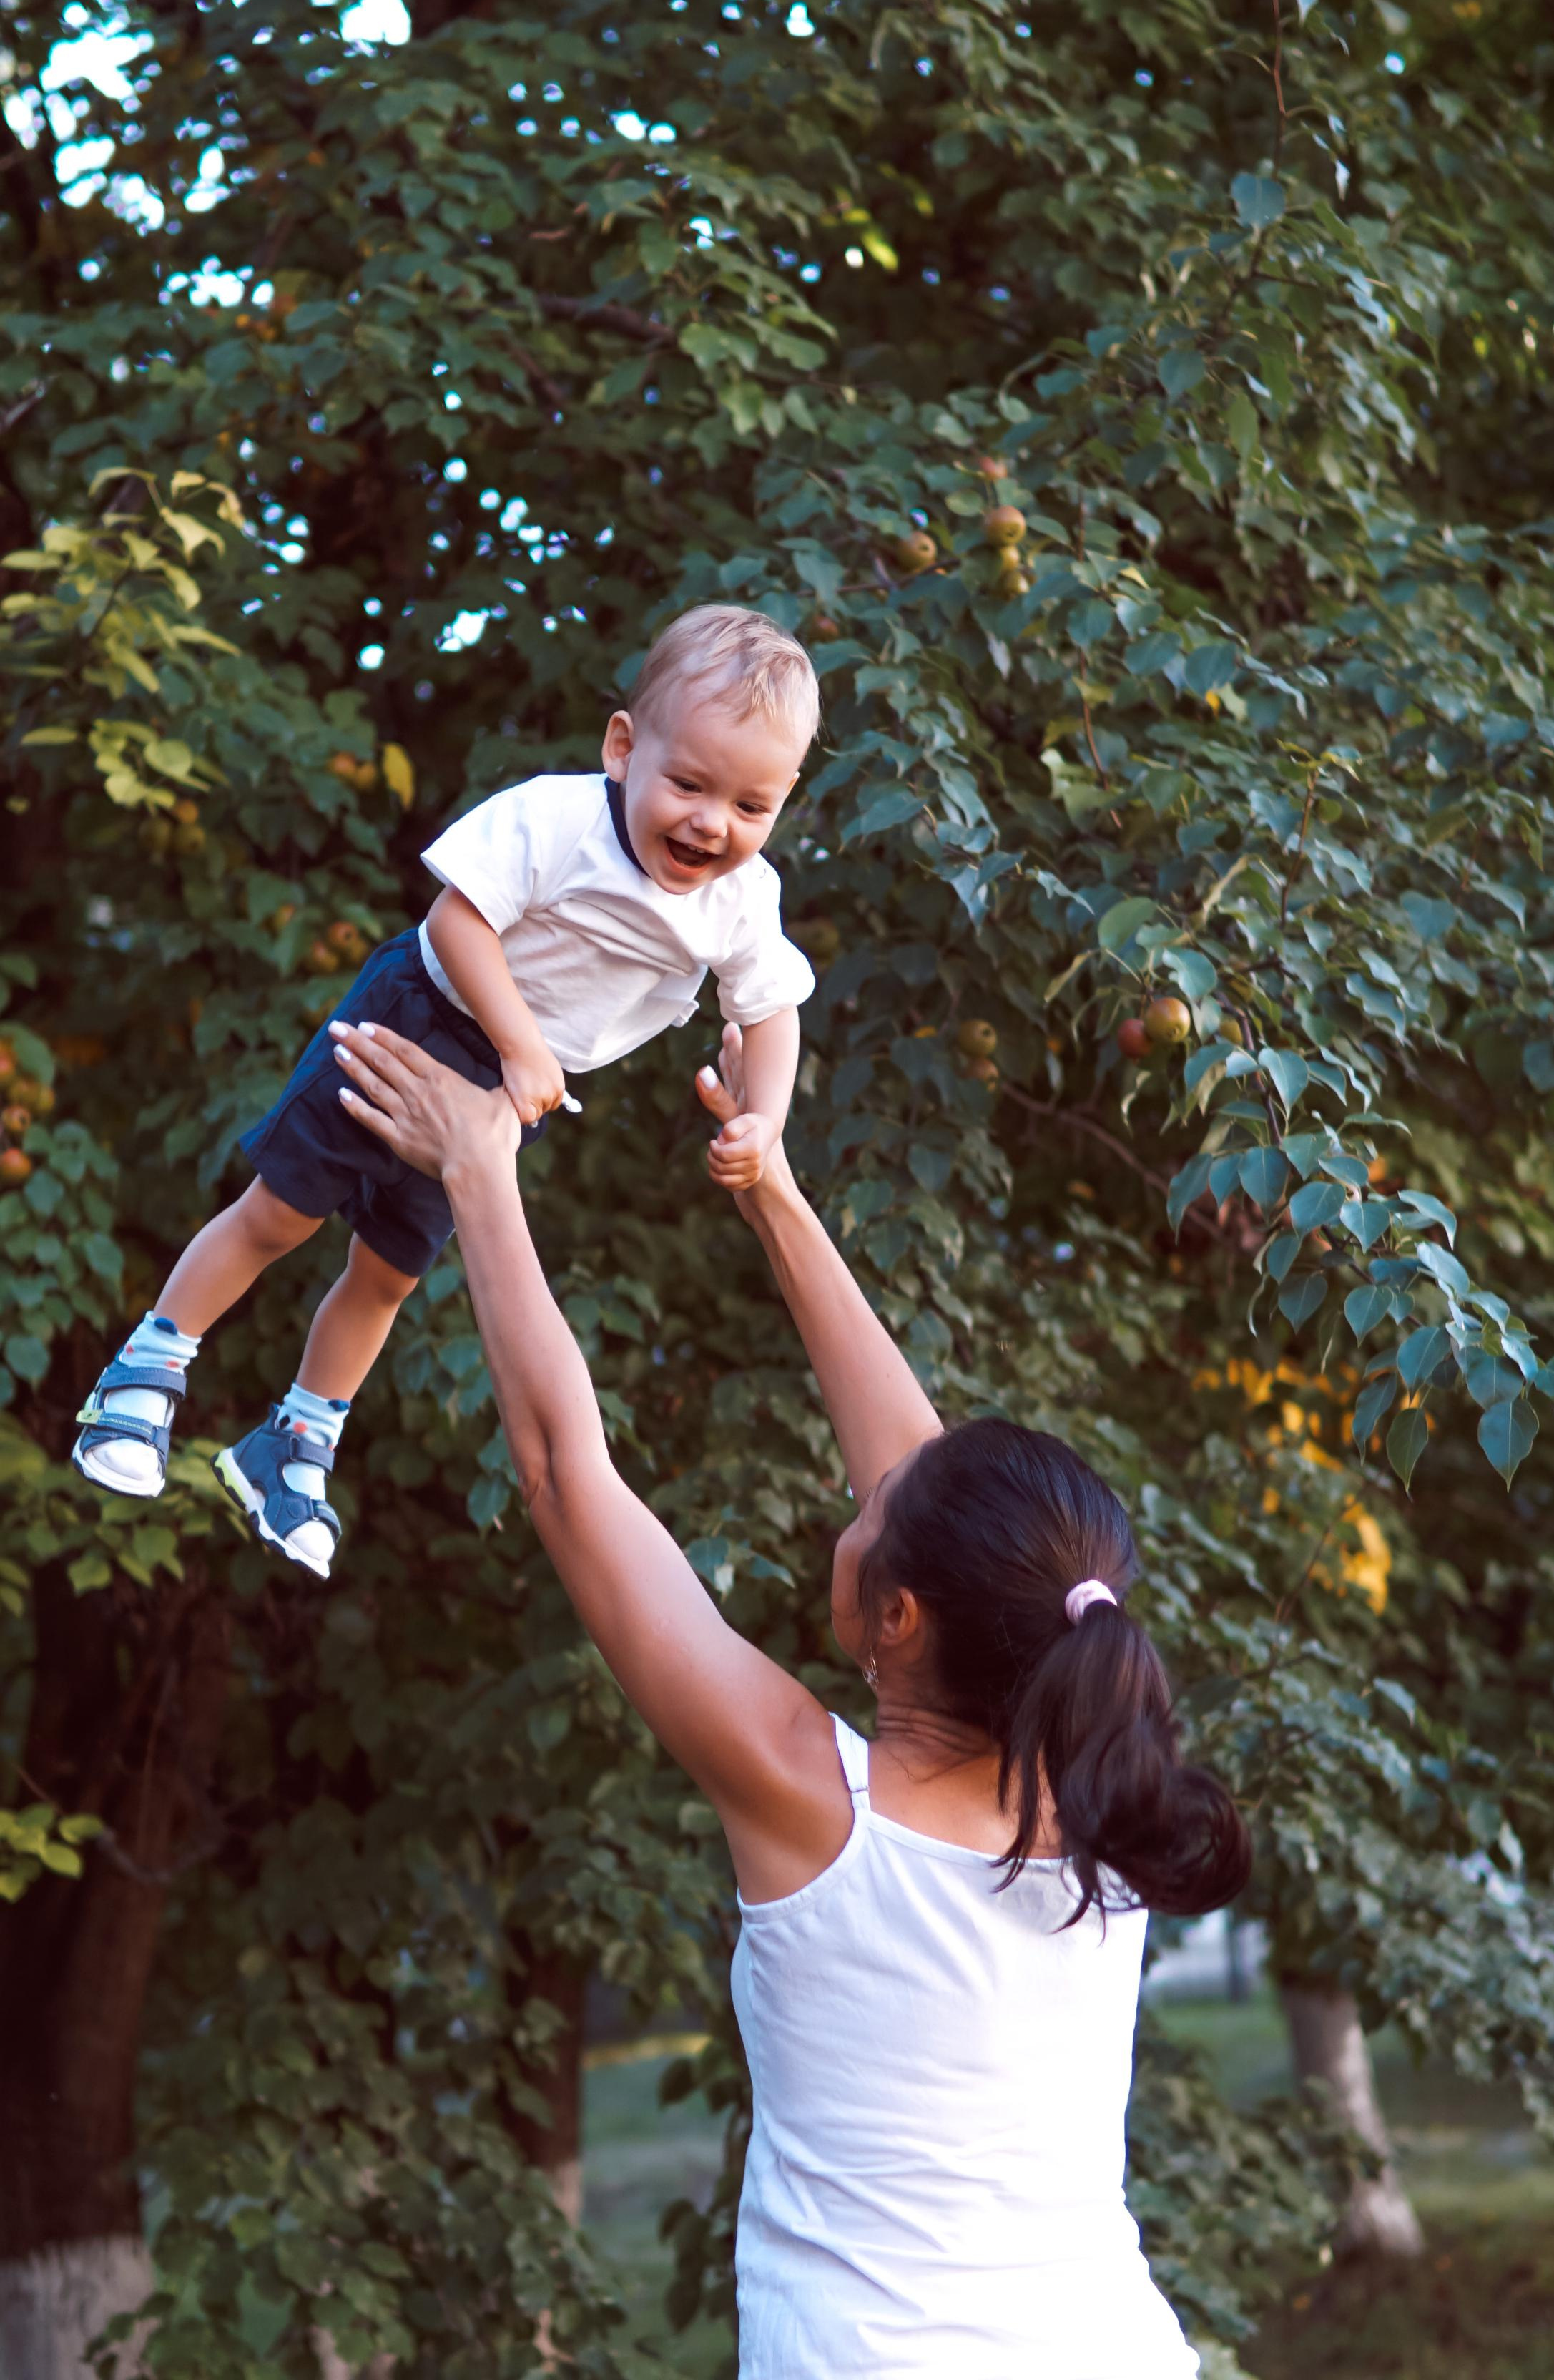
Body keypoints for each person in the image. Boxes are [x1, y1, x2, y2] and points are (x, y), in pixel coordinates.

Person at [326, 1014, 1251, 2379]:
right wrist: (771, 1189)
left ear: (897, 1615)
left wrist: (480, 1173)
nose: (860, 1502)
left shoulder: (809, 1801)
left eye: (863, 1521)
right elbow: (937, 1503)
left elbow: (564, 1473)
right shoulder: (1102, 1789)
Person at [70, 605, 819, 1577]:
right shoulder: (558, 819)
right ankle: (146, 1369)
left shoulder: (743, 900)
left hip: (512, 1096)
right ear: (624, 748)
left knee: (386, 1274)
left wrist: (764, 1119)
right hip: (418, 1015)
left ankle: (294, 1443)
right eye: (687, 784)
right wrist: (517, 1043)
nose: (712, 823)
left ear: (782, 800)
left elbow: (770, 1013)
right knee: (283, 1214)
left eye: (751, 807)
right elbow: (457, 922)